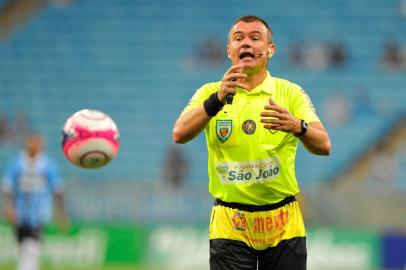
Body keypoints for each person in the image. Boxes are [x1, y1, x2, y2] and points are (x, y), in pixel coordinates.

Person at [172, 15, 331, 270]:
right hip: (230, 223)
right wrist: (217, 99)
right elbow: (179, 134)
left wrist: (298, 127)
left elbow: (324, 145)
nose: (246, 43)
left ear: (270, 49)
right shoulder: (209, 93)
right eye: (238, 39)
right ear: (229, 51)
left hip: (283, 223)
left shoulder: (290, 93)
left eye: (255, 38)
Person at [2, 133, 69, 270]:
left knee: (32, 246)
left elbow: (58, 190)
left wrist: (61, 214)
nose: (33, 146)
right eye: (31, 143)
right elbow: (7, 187)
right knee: (24, 247)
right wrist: (8, 209)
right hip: (19, 214)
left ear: (41, 146)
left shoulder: (47, 165)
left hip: (38, 214)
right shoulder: (17, 164)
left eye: (36, 143)